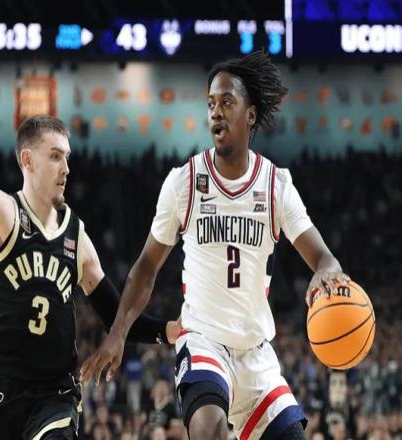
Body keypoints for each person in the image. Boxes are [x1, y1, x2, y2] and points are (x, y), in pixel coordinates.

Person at [80, 50, 350, 440]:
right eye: (210, 104)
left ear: (250, 115)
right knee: (209, 429)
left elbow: (323, 257)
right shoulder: (185, 182)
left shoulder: (276, 185)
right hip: (203, 341)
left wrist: (326, 271)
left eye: (226, 102)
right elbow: (146, 267)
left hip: (255, 354)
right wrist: (119, 332)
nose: (216, 113)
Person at [0, 55, 181, 440]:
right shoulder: (3, 212)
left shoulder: (77, 236)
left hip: (55, 392)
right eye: (55, 156)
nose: (66, 168)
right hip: (0, 388)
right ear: (28, 160)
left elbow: (116, 315)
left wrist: (171, 330)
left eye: (67, 157)